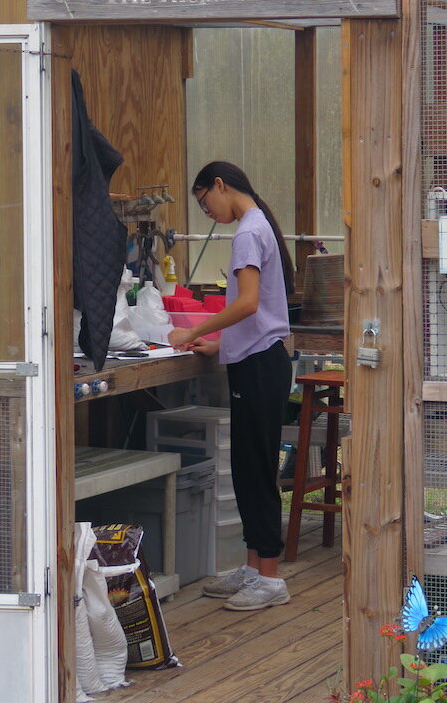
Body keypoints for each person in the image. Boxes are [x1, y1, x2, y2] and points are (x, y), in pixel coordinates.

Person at [168, 161, 294, 611]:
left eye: (205, 203)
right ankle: (255, 566)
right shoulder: (258, 223)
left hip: (260, 365)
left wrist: (186, 333)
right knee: (247, 468)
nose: (208, 212)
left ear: (220, 186)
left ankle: (271, 578)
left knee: (256, 470)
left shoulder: (246, 232)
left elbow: (246, 303)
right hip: (259, 360)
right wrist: (218, 344)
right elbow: (257, 312)